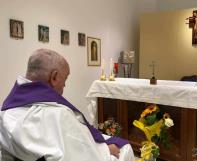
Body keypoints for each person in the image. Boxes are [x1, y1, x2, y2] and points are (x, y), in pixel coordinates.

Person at [0, 49, 135, 161]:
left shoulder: (7, 110)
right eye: (65, 79)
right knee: (126, 149)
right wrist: (106, 150)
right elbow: (83, 154)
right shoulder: (58, 115)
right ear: (54, 77)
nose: (65, 85)